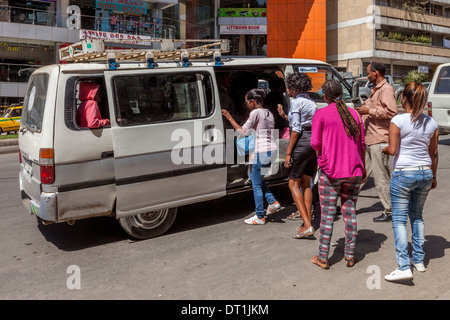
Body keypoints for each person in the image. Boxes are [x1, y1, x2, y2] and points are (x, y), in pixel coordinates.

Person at [382, 83, 438, 282]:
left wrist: (383, 148)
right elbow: (434, 154)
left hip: (404, 174)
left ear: (403, 99)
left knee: (399, 220)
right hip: (425, 173)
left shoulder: (398, 120)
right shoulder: (431, 123)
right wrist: (434, 177)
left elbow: (393, 150)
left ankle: (403, 266)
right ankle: (419, 261)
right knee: (417, 216)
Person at [310, 79, 366, 269]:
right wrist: (363, 168)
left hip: (330, 172)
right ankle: (349, 256)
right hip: (354, 171)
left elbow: (315, 144)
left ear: (325, 96)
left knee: (326, 216)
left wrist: (322, 159)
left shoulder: (321, 114)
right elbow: (363, 145)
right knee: (349, 213)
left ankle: (323, 257)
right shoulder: (355, 114)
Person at [222, 88, 281, 225]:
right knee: (257, 179)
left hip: (262, 151)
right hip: (271, 150)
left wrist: (230, 118)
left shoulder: (255, 112)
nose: (246, 105)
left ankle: (260, 216)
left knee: (256, 183)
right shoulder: (268, 113)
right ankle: (273, 202)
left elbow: (242, 131)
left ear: (253, 101)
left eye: (246, 102)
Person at [355, 62, 397, 222]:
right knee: (360, 175)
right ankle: (348, 203)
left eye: (368, 73)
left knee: (381, 178)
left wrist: (369, 111)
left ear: (376, 72)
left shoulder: (386, 89)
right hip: (370, 140)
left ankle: (390, 210)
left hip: (379, 140)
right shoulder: (376, 91)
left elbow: (391, 112)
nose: (367, 76)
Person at [277, 72, 317, 239]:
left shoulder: (296, 102)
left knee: (293, 184)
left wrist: (288, 153)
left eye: (289, 87)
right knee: (306, 184)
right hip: (313, 142)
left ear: (294, 88)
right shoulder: (311, 102)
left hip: (300, 142)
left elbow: (296, 130)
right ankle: (307, 222)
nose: (287, 90)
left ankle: (307, 225)